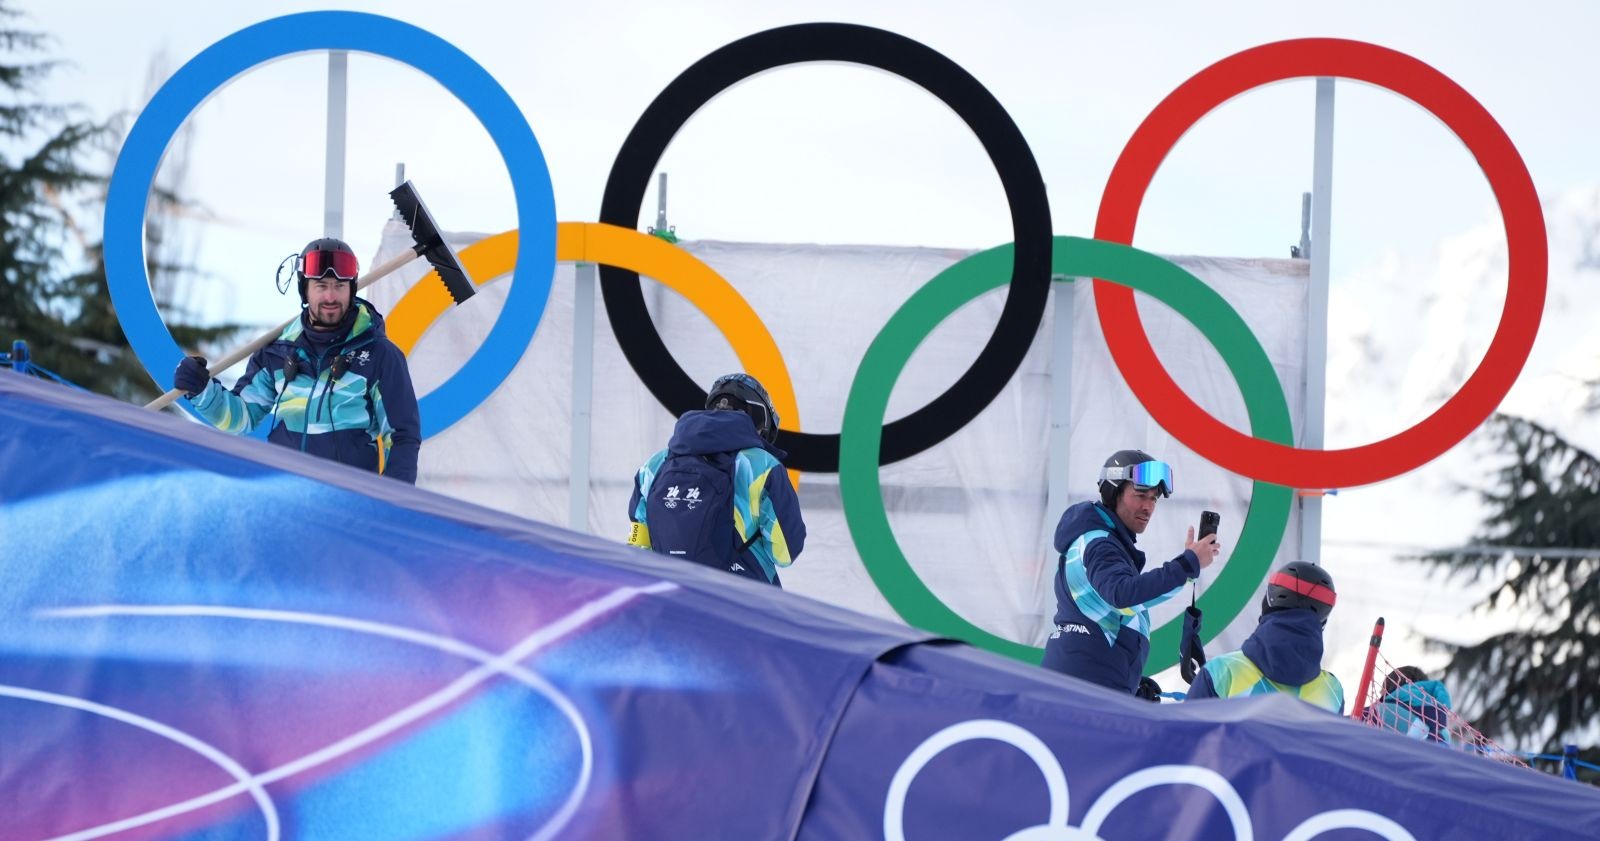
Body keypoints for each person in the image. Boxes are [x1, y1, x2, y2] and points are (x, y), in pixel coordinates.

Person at [172, 238, 421, 483]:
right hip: (282, 496)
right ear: (305, 289)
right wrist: (203, 392)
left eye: (340, 286)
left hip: (347, 500)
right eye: (321, 286)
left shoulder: (379, 356)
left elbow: (401, 436)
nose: (331, 297)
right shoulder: (277, 353)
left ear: (352, 288)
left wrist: (390, 504)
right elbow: (240, 418)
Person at [1043, 449, 1219, 696]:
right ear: (1113, 494)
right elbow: (1123, 595)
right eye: (1140, 496)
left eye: (1154, 499)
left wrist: (1131, 683)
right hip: (1083, 694)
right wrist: (1188, 563)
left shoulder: (1098, 539)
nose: (1148, 507)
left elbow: (1110, 615)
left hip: (1084, 685)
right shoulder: (1099, 544)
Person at [627, 373, 805, 586]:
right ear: (761, 422)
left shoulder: (654, 466)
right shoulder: (762, 466)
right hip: (744, 605)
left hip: (671, 602)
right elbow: (784, 552)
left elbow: (638, 544)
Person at [1184, 560, 1344, 713]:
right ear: (1323, 619)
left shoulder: (1222, 672)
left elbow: (1182, 736)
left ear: (1267, 603)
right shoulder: (1332, 692)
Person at [1368, 666, 1454, 744]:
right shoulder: (1443, 731)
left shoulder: (1380, 711)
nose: (1380, 692)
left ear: (1391, 687)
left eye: (1383, 687)